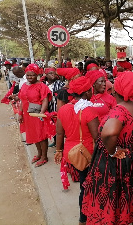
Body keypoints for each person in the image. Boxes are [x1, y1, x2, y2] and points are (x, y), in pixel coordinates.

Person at [82, 71, 133, 225]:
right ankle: (130, 218)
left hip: (117, 160)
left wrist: (113, 151)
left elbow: (109, 133)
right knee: (129, 190)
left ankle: (113, 219)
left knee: (114, 192)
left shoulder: (120, 110)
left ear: (117, 89)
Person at [54, 76, 99, 225]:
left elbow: (59, 133)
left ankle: (84, 217)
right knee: (86, 186)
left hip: (70, 152)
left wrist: (58, 151)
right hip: (86, 154)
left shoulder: (63, 109)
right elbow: (97, 137)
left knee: (83, 183)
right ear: (87, 92)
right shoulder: (88, 110)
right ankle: (84, 218)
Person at [18, 64, 52, 167]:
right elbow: (22, 100)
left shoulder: (42, 86)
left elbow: (45, 100)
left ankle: (44, 157)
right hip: (28, 115)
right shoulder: (24, 85)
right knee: (34, 134)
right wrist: (20, 114)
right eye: (28, 75)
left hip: (37, 114)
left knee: (41, 136)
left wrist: (41, 113)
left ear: (37, 74)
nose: (29, 77)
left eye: (32, 75)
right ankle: (39, 154)